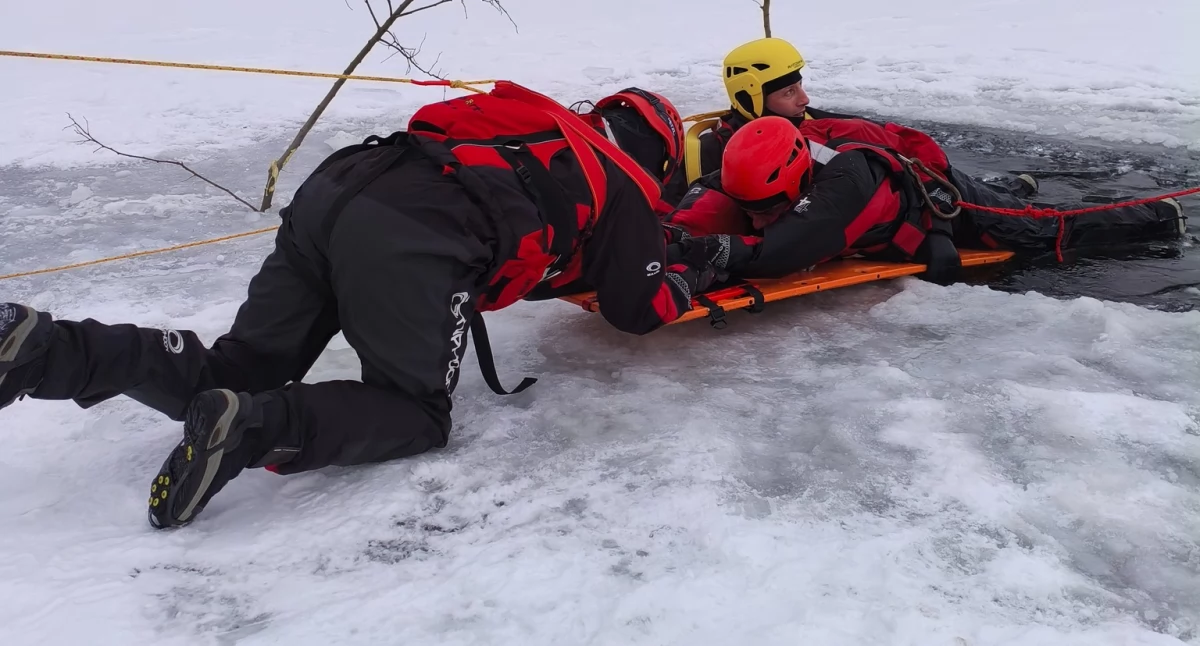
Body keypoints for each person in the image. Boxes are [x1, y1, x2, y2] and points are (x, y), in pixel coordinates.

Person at [0, 81, 721, 530]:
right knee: (415, 412)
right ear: (658, 153)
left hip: (339, 190)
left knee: (243, 362)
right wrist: (685, 283)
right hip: (418, 233)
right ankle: (253, 427)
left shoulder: (532, 128)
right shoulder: (624, 179)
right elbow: (635, 305)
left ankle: (45, 348)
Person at [663, 116, 1186, 284]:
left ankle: (1159, 216)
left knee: (1045, 231)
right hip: (912, 185)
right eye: (750, 204)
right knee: (1015, 205)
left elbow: (784, 251)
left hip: (938, 201)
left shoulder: (842, 185)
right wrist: (669, 236)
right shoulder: (752, 163)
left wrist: (720, 252)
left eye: (766, 205)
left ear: (798, 172)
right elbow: (709, 195)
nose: (755, 214)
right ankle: (1015, 187)